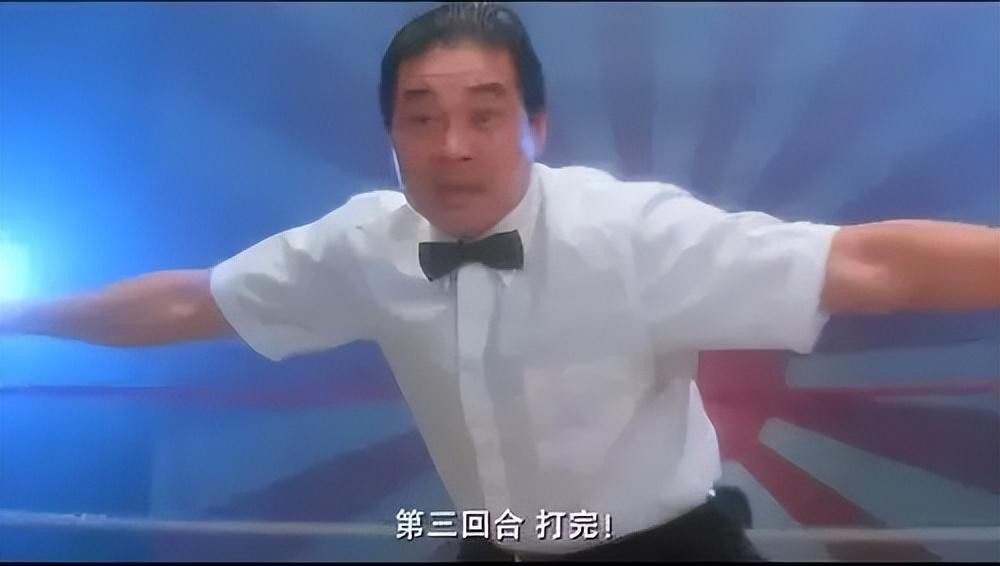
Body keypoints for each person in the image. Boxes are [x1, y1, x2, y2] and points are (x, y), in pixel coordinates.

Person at [1, 2, 998, 561]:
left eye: (485, 114)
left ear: (536, 127)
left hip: (664, 547)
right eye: (422, 117)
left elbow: (864, 262)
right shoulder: (365, 243)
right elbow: (191, 299)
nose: (453, 146)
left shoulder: (629, 234)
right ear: (390, 134)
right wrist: (19, 312)